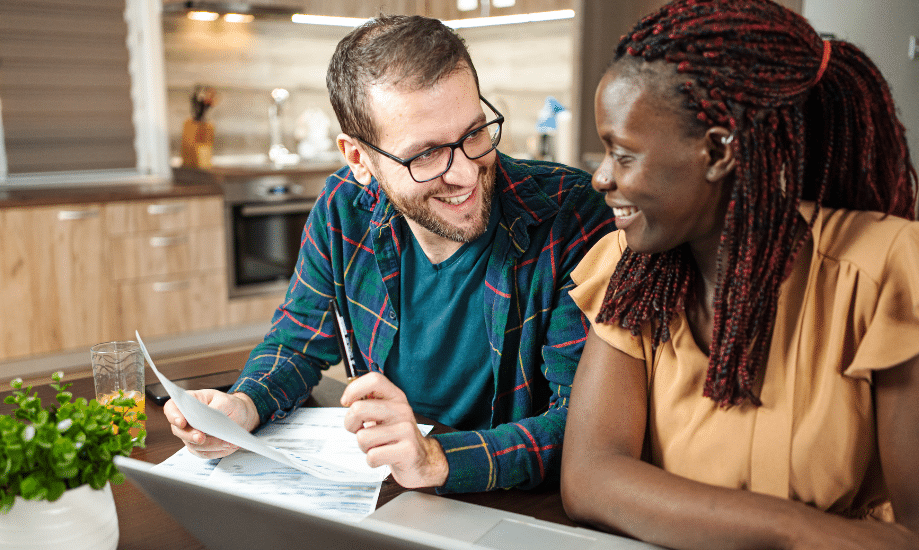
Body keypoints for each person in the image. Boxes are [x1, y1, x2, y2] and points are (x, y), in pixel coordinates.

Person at [164, 14, 614, 494]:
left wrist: (436, 459)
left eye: (475, 134)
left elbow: (584, 425)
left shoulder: (572, 215)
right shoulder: (343, 208)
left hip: (509, 496)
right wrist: (245, 407)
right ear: (359, 159)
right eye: (425, 155)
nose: (463, 173)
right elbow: (296, 344)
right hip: (393, 482)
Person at [562, 0, 919, 548]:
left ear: (718, 150)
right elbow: (590, 478)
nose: (599, 178)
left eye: (622, 154)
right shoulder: (634, 267)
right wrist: (788, 528)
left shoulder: (886, 269)